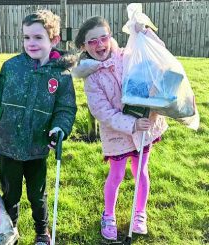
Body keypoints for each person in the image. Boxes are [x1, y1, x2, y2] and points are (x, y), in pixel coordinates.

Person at [0, 10, 77, 245]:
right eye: (26, 37)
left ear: (54, 40)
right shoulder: (12, 66)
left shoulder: (61, 75)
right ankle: (9, 230)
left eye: (38, 37)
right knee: (11, 194)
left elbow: (66, 108)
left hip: (37, 146)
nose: (31, 43)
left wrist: (60, 128)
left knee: (36, 194)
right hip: (8, 144)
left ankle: (42, 232)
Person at [73, 16, 168, 241]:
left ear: (111, 37)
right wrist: (130, 125)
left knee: (141, 171)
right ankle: (108, 215)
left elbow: (157, 52)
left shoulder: (127, 55)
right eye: (92, 41)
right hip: (117, 134)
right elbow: (102, 111)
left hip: (145, 127)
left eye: (103, 38)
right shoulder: (91, 77)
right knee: (115, 175)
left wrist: (143, 33)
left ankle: (139, 212)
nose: (99, 45)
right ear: (83, 47)